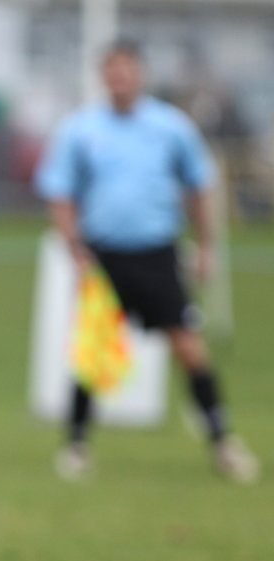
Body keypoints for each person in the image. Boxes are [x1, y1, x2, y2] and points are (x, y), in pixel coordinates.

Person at [36, 40, 259, 483]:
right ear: (103, 76)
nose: (119, 78)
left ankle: (222, 441)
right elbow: (60, 191)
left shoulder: (170, 127)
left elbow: (199, 186)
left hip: (157, 253)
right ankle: (76, 445)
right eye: (111, 70)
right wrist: (74, 248)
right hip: (104, 255)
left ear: (141, 74)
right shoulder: (82, 129)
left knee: (188, 346)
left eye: (127, 69)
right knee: (93, 351)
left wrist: (207, 247)